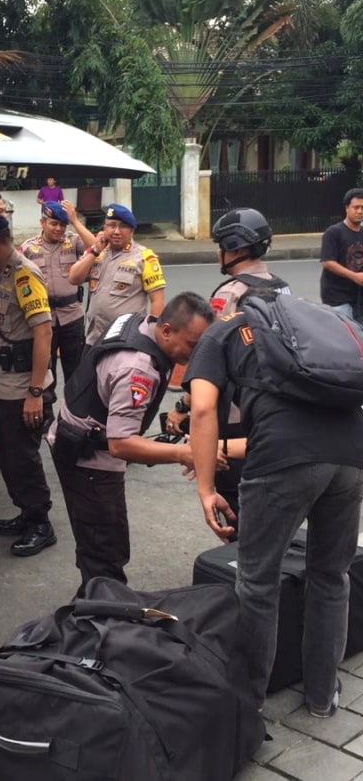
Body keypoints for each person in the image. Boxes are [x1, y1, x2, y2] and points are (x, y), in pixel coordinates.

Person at [185, 292, 363, 718]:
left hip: (282, 460)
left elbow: (203, 409)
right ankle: (322, 697)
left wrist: (206, 489)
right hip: (351, 455)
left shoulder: (222, 332)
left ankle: (250, 705)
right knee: (331, 576)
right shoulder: (316, 326)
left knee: (257, 583)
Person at [47, 292, 222, 595]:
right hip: (91, 463)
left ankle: (92, 596)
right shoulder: (137, 369)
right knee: (106, 552)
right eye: (192, 345)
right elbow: (121, 444)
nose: (195, 355)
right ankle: (101, 611)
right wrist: (184, 453)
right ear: (166, 330)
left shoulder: (138, 322)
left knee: (94, 542)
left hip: (76, 435)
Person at [165, 208, 290, 536]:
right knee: (272, 518)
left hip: (235, 420)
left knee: (234, 515)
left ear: (233, 247)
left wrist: (181, 407)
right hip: (277, 415)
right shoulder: (284, 289)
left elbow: (209, 363)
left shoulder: (229, 293)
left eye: (221, 245)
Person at [0, 214, 56, 557]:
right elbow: (0, 334)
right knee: (7, 456)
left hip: (22, 388)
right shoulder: (2, 274)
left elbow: (43, 333)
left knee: (23, 459)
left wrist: (35, 392)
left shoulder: (24, 275)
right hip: (1, 383)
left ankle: (41, 524)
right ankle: (26, 512)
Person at [19, 200, 96, 392]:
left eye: (63, 224)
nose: (59, 229)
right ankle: (45, 408)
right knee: (45, 371)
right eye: (54, 223)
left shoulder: (73, 241)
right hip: (43, 320)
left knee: (76, 372)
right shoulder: (28, 248)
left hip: (72, 317)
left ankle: (74, 409)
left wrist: (75, 221)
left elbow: (98, 247)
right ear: (42, 222)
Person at [68, 203, 166, 348]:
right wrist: (95, 251)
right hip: (94, 339)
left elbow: (157, 301)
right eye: (112, 225)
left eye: (123, 227)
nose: (116, 231)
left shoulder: (144, 257)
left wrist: (151, 337)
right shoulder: (97, 252)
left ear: (132, 230)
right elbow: (74, 278)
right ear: (104, 228)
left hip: (126, 342)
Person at [320, 188, 363, 319]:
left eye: (362, 207)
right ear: (347, 208)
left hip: (359, 297)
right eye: (356, 207)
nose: (360, 211)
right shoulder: (333, 232)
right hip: (338, 297)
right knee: (345, 330)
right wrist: (354, 276)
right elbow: (327, 262)